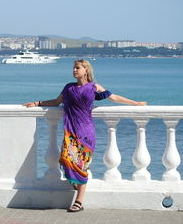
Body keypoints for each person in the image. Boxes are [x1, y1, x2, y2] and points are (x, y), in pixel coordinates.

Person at [24, 59, 146, 212]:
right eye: (74, 68)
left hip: (86, 132)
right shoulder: (68, 88)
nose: (74, 70)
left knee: (82, 166)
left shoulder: (93, 87)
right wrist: (37, 103)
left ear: (86, 70)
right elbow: (56, 102)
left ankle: (79, 201)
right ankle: (77, 183)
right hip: (70, 131)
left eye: (77, 68)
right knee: (65, 159)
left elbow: (113, 97)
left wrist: (135, 103)